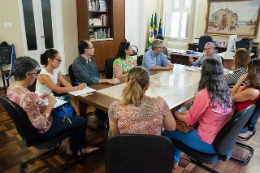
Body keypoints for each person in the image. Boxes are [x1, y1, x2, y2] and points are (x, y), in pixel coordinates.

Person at [6, 56, 99, 155]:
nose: (36, 76)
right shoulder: (27, 96)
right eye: (35, 74)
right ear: (27, 75)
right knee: (81, 120)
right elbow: (40, 124)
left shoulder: (11, 88)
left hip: (27, 129)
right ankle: (77, 148)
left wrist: (39, 99)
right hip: (42, 132)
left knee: (67, 113)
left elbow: (25, 108)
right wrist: (50, 105)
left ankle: (74, 144)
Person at [165, 58, 232, 169]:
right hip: (220, 139)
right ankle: (175, 159)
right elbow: (202, 114)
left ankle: (171, 160)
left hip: (207, 142)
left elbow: (190, 120)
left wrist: (175, 115)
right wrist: (179, 114)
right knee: (181, 127)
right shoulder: (225, 91)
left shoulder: (205, 94)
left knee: (169, 129)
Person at [108, 66, 176, 136]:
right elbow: (171, 127)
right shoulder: (159, 104)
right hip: (153, 146)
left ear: (126, 82)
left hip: (127, 146)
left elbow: (116, 135)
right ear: (147, 86)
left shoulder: (115, 107)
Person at [72, 40, 119, 128]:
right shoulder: (77, 63)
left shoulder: (91, 59)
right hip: (86, 87)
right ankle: (103, 117)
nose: (94, 49)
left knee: (114, 91)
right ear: (86, 50)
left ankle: (107, 115)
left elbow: (96, 74)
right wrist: (107, 80)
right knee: (103, 96)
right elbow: (88, 80)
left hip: (96, 84)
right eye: (92, 47)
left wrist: (107, 82)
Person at [35, 49, 86, 116]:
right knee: (70, 98)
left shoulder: (56, 70)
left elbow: (64, 82)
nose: (60, 62)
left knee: (73, 97)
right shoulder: (44, 75)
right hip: (44, 99)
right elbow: (57, 90)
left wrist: (74, 90)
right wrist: (76, 88)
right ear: (50, 60)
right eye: (58, 60)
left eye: (60, 60)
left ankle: (78, 115)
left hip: (51, 95)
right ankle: (76, 116)